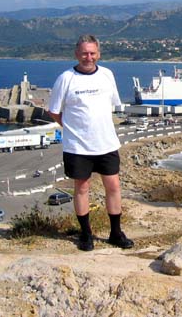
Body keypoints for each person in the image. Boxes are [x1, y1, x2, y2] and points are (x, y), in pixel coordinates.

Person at [48, 35, 133, 251]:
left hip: (106, 142)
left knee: (113, 186)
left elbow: (112, 104)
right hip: (77, 146)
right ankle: (86, 235)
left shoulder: (107, 75)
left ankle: (116, 233)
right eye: (84, 53)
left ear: (99, 54)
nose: (89, 57)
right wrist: (72, 128)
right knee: (82, 187)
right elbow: (54, 111)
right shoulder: (65, 78)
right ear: (77, 54)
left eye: (92, 53)